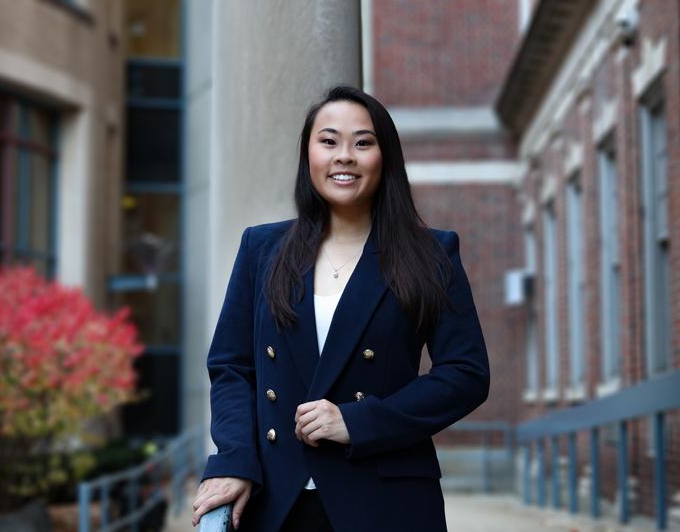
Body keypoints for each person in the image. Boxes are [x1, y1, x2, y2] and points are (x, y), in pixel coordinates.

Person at [191, 86, 490, 531]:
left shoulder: (431, 253)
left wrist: (358, 420)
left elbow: (466, 373)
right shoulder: (263, 248)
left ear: (384, 157)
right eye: (328, 141)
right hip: (278, 499)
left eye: (362, 143)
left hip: (387, 499)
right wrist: (234, 459)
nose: (344, 156)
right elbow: (232, 367)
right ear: (308, 154)